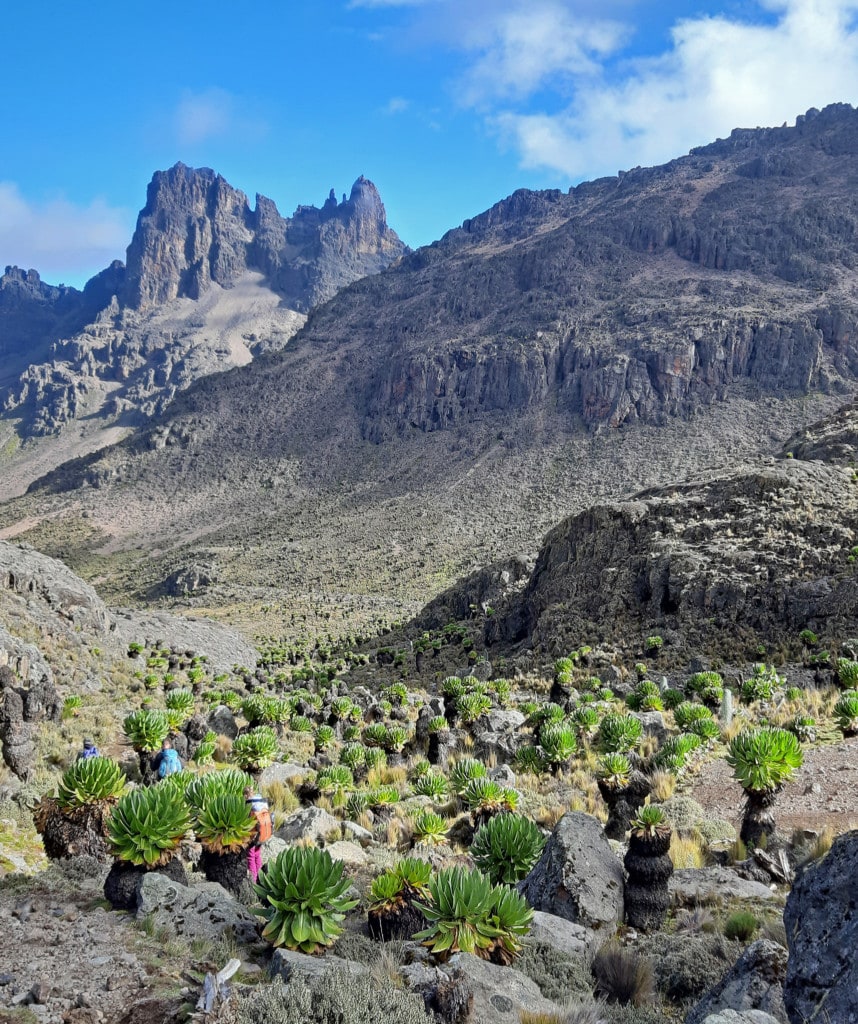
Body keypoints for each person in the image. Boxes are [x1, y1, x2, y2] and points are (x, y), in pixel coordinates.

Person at [244, 786, 272, 883]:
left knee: (250, 857)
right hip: (263, 834)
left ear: (246, 795)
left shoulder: (249, 805)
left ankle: (254, 880)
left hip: (254, 836)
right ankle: (261, 879)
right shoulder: (261, 802)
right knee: (257, 855)